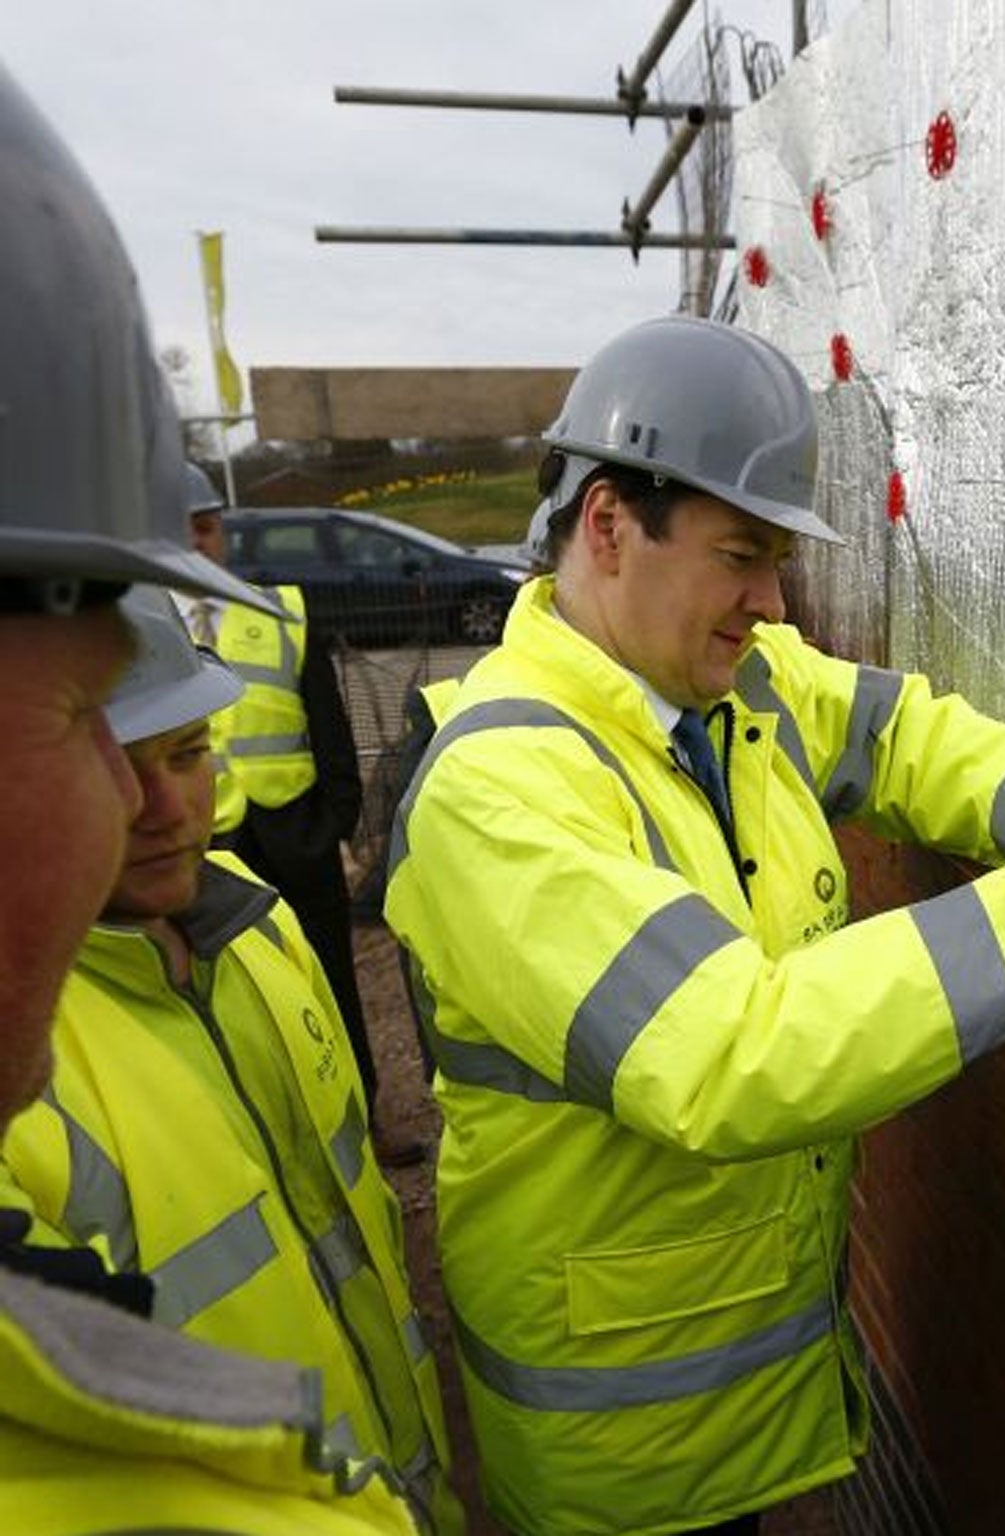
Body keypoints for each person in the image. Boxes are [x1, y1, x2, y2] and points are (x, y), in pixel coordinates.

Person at [386, 314, 1005, 1535]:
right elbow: (728, 1053)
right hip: (620, 1463)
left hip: (731, 1417)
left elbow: (904, 736)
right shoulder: (497, 792)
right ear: (608, 525)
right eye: (742, 554)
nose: (772, 603)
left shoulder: (729, 688)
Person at [0, 60, 418, 1533]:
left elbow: (341, 1207)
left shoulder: (258, 939)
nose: (134, 796)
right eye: (72, 711)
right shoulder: (50, 1107)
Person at [1, 587, 464, 1533]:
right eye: (118, 769)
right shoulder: (22, 1061)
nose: (166, 808)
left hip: (395, 1484)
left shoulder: (256, 916)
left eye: (188, 753)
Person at [178, 465, 405, 1160]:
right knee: (232, 995)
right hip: (209, 846)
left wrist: (331, 823)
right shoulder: (136, 627)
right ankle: (275, 1140)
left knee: (333, 978)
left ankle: (365, 1120)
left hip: (296, 835)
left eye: (208, 525)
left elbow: (329, 727)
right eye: (181, 527)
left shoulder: (284, 610)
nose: (198, 540)